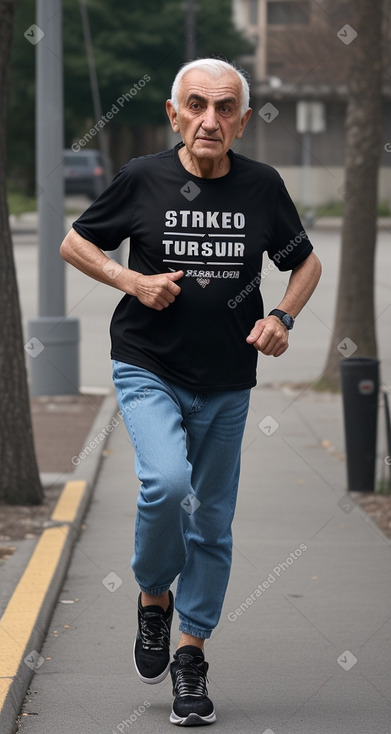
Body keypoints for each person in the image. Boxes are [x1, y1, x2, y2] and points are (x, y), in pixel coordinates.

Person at [60, 57, 321, 727]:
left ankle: (191, 654)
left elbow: (305, 261)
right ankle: (153, 595)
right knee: (166, 485)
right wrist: (130, 282)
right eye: (197, 105)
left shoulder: (261, 186)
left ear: (241, 118)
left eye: (225, 107)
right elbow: (74, 242)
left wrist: (280, 317)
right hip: (148, 364)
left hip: (227, 381)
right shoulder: (144, 177)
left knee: (211, 523)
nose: (211, 119)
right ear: (174, 114)